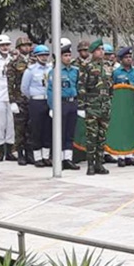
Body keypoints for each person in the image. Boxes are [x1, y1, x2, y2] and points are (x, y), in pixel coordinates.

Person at [77, 41, 113, 175]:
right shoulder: (87, 66)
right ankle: (90, 165)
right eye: (98, 49)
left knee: (102, 136)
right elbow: (81, 86)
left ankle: (99, 163)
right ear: (92, 52)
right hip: (92, 105)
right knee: (91, 136)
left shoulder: (108, 66)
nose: (101, 52)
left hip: (105, 105)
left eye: (102, 49)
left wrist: (109, 100)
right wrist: (81, 106)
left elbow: (111, 86)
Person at [47, 43, 80, 171]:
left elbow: (78, 87)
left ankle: (68, 158)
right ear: (60, 57)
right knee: (60, 132)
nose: (68, 58)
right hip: (61, 103)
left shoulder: (75, 71)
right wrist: (52, 107)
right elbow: (50, 90)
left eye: (69, 55)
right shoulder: (55, 71)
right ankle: (59, 159)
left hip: (72, 102)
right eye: (65, 55)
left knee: (70, 132)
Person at [20, 45, 52, 168]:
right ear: (36, 56)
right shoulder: (30, 70)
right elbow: (24, 88)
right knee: (36, 130)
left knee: (48, 129)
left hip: (48, 100)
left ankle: (46, 156)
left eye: (46, 55)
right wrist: (34, 97)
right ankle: (37, 157)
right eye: (41, 55)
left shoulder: (51, 68)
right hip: (36, 101)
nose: (44, 57)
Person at [5, 36, 33, 164]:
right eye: (23, 46)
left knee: (31, 127)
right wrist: (12, 101)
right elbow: (10, 84)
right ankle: (20, 153)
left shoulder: (34, 61)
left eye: (28, 45)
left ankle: (30, 153)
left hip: (32, 98)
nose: (26, 48)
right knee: (20, 128)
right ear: (18, 48)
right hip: (19, 99)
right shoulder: (13, 63)